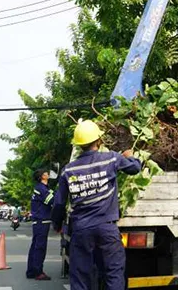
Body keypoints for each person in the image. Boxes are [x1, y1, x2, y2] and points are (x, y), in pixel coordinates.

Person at [51, 120, 142, 290]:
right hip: (107, 229)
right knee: (113, 273)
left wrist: (57, 224)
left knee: (80, 277)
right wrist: (130, 156)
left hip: (81, 231)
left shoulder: (68, 170)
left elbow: (59, 203)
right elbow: (135, 168)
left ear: (79, 145)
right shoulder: (111, 159)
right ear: (99, 140)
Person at [26, 168, 54, 280]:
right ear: (42, 176)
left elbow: (51, 195)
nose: (48, 174)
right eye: (46, 173)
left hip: (38, 221)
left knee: (35, 246)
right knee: (40, 247)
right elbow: (52, 200)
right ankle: (38, 272)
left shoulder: (42, 188)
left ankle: (31, 271)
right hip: (42, 221)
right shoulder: (41, 189)